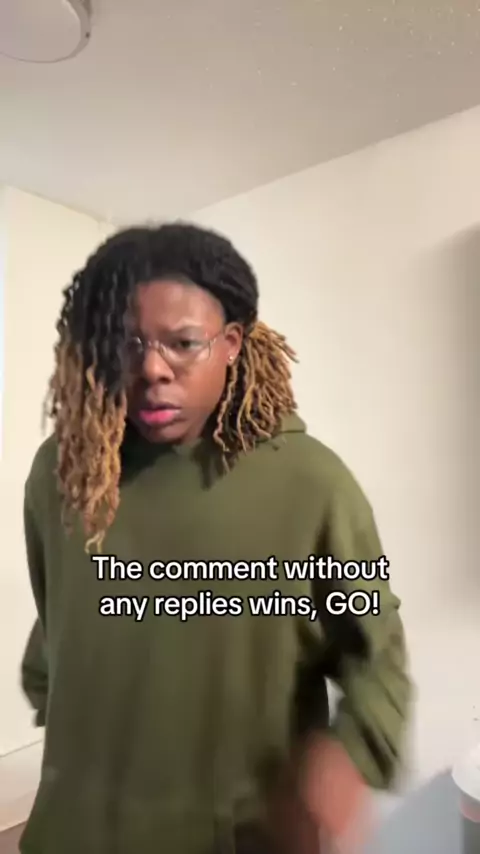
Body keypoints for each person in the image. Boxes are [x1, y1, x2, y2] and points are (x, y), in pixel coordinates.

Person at [20, 223, 411, 854]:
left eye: (182, 343)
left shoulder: (312, 484)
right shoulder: (63, 471)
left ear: (230, 343)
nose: (151, 369)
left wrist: (349, 758)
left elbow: (376, 650)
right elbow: (58, 615)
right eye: (127, 343)